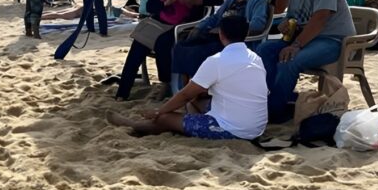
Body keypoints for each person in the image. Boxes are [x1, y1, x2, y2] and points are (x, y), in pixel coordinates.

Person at [107, 16, 268, 141]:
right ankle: (189, 124)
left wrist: (159, 111)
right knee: (196, 102)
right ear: (246, 34)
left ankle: (134, 125)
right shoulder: (255, 58)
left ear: (221, 34)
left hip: (235, 130)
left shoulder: (217, 60)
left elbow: (185, 94)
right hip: (257, 127)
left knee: (165, 118)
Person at [256, 0, 356, 123]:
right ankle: (272, 100)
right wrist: (285, 24)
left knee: (290, 60)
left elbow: (320, 18)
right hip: (307, 38)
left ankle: (275, 112)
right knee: (264, 50)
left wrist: (296, 45)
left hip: (333, 40)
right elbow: (293, 16)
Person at [115, 0, 223, 100]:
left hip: (185, 26)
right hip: (160, 22)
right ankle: (123, 92)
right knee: (138, 46)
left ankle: (165, 83)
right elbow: (151, 7)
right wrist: (166, 2)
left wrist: (196, 0)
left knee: (162, 42)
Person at [170, 0, 270, 93]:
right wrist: (199, 27)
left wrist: (229, 30)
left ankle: (199, 89)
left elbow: (257, 25)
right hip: (218, 35)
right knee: (181, 45)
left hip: (234, 41)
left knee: (199, 51)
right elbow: (216, 17)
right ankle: (183, 87)